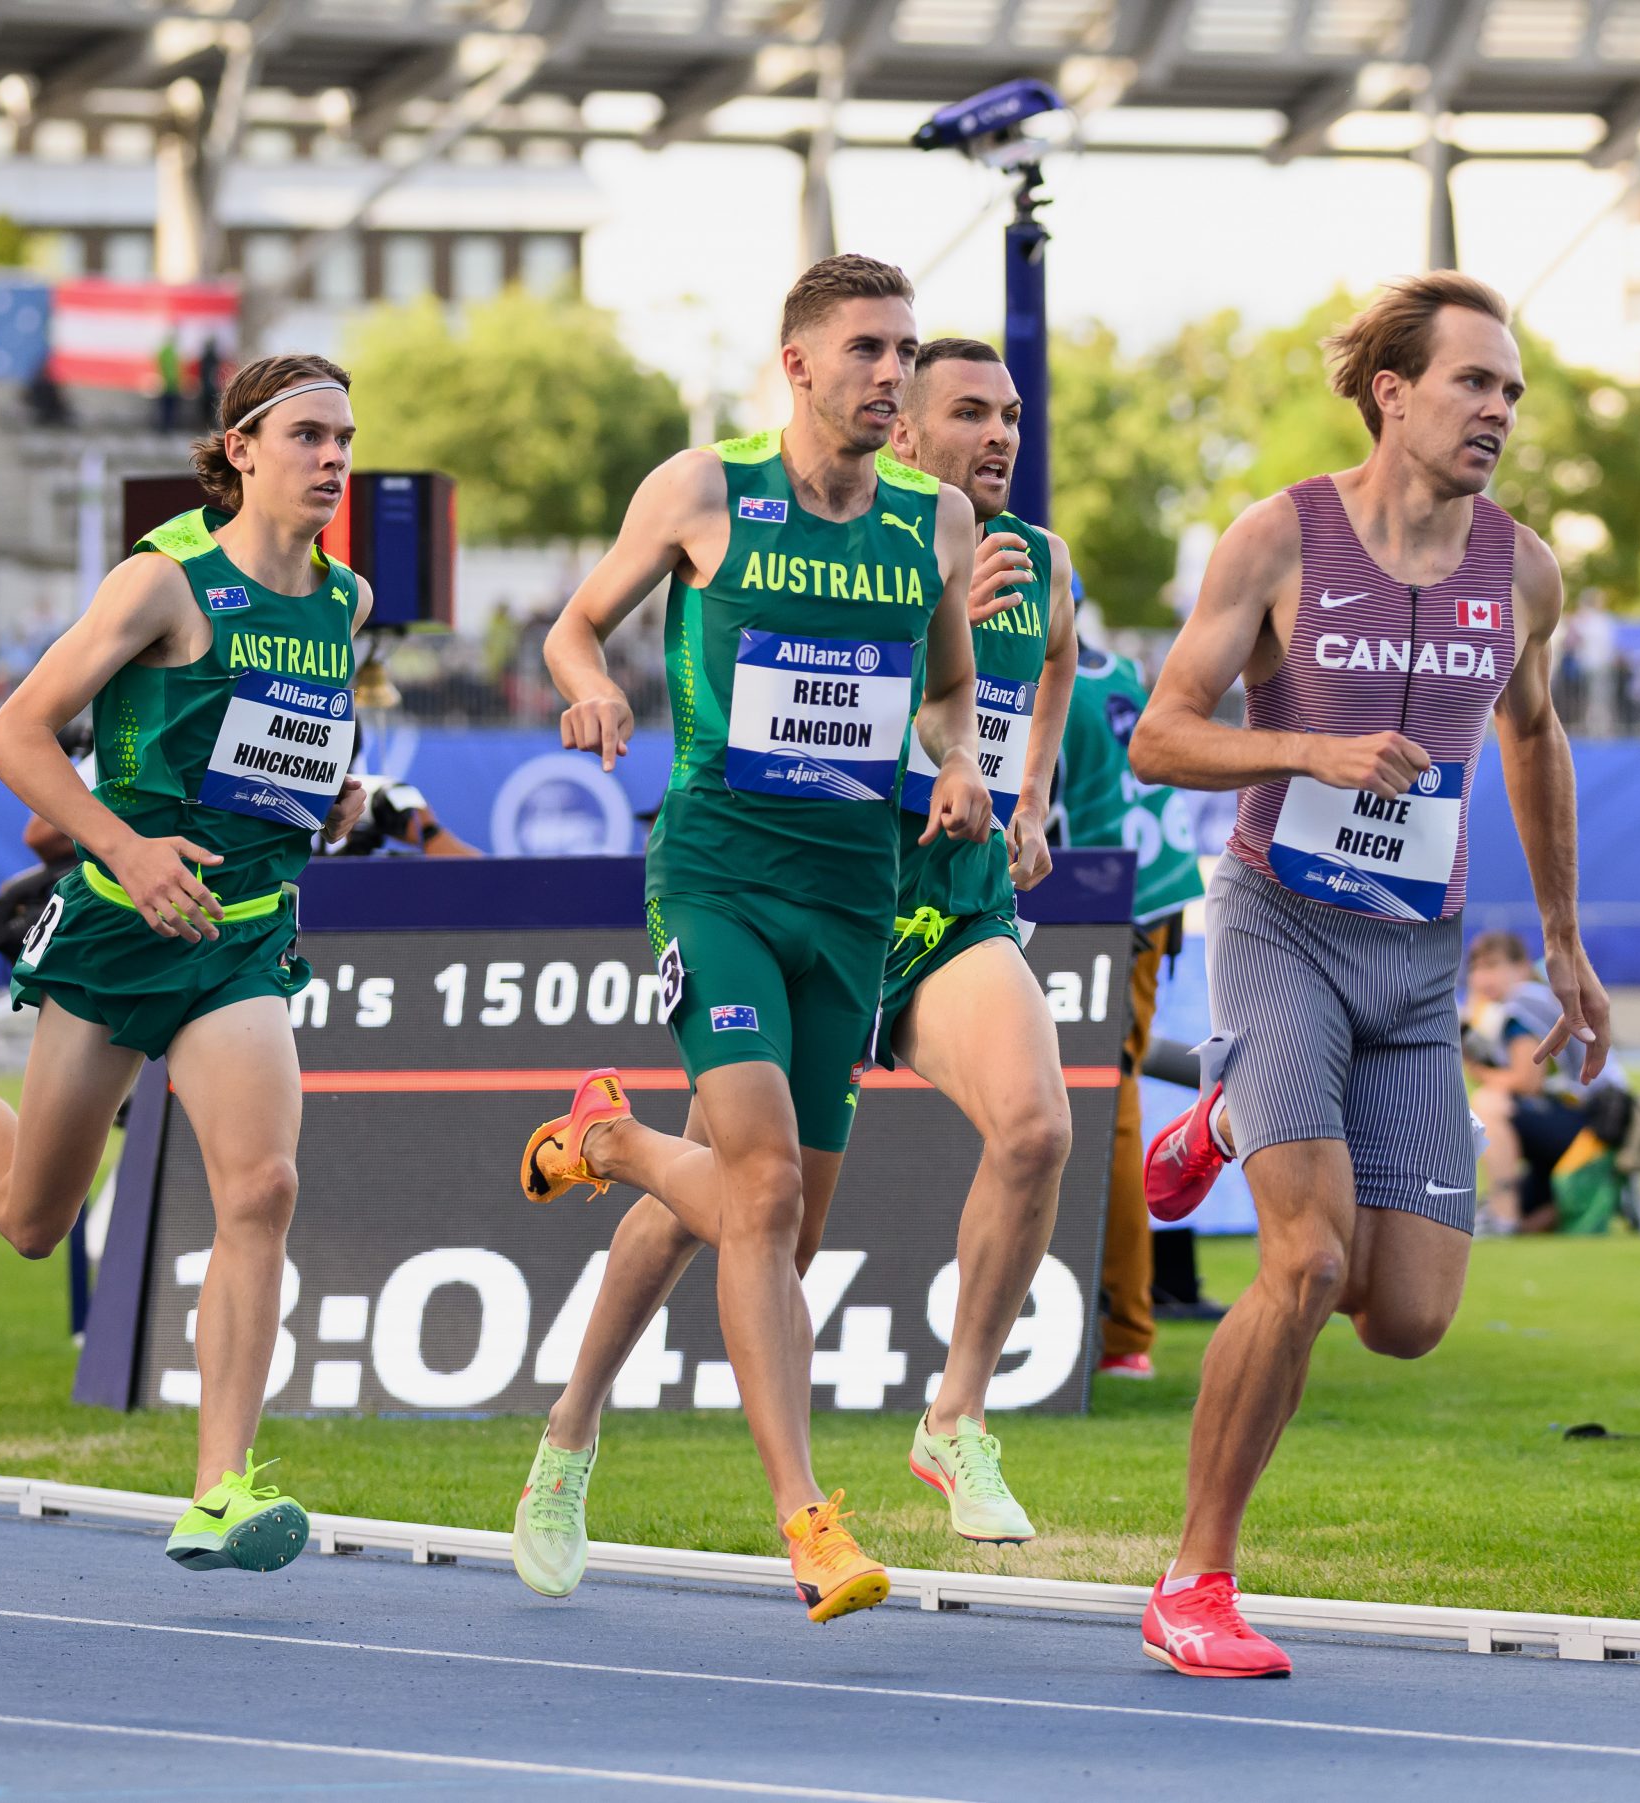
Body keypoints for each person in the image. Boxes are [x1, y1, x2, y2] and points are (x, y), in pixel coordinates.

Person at [1127, 272, 1608, 1678]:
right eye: (1474, 383)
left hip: (1415, 960)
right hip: (1278, 925)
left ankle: (1227, 1117)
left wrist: (1564, 938)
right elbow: (1161, 735)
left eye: (1512, 390)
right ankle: (1194, 1579)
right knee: (1307, 1259)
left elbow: (1532, 734)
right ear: (1393, 393)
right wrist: (1307, 750)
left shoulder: (1522, 570)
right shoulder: (1280, 536)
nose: (1498, 411)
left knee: (1405, 1316)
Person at [511, 255, 993, 1624]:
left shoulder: (936, 520)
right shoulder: (704, 490)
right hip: (718, 876)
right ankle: (809, 1519)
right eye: (866, 349)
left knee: (762, 1225)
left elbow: (948, 689)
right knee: (762, 1190)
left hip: (853, 899)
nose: (892, 374)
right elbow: (572, 627)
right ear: (796, 363)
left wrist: (963, 762)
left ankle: (573, 1393)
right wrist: (592, 683)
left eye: (904, 351)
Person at [0, 353, 369, 1579]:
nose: (333, 459)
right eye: (308, 435)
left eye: (345, 439)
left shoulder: (344, 602)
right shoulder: (163, 580)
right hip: (118, 923)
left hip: (241, 934)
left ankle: (221, 1487)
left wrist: (325, 801)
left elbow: (284, 752)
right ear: (240, 449)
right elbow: (14, 735)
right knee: (35, 1220)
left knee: (263, 1190)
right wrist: (126, 850)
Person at [1055, 605, 1208, 1380]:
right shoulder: (1115, 670)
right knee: (1101, 1103)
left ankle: (1123, 1329)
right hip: (1150, 897)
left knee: (1105, 1107)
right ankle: (1119, 1323)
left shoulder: (1045, 688)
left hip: (1104, 909)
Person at [1463, 930, 1631, 1233]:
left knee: (1488, 1102)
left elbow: (1526, 1082)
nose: (1483, 976)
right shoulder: (1533, 995)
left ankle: (1503, 1213)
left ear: (1521, 967)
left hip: (1595, 1120)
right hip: (1592, 1119)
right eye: (1475, 968)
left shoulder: (1522, 1001)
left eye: (1493, 965)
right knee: (1531, 1219)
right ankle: (1611, 1189)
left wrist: (1477, 1069)